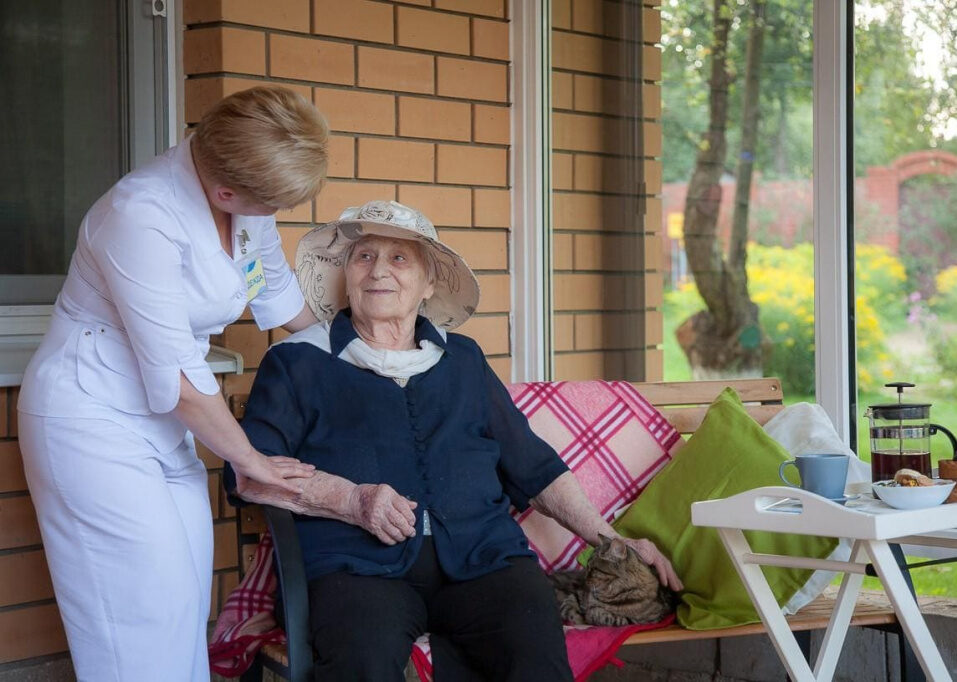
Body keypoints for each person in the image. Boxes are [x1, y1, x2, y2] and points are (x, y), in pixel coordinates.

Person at [228, 200, 683, 681]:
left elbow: (533, 467)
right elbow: (249, 473)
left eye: (399, 258)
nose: (378, 270)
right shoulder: (297, 362)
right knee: (360, 657)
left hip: (482, 560)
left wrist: (613, 541)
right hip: (355, 570)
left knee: (532, 643)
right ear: (346, 274)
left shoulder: (463, 360)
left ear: (428, 284)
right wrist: (351, 500)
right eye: (363, 257)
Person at [17, 86, 327, 682]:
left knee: (184, 601)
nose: (274, 216)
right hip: (90, 419)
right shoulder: (140, 215)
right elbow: (182, 376)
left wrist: (356, 353)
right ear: (226, 190)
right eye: (269, 205)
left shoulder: (244, 205)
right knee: (135, 618)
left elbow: (280, 296)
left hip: (165, 419)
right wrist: (250, 460)